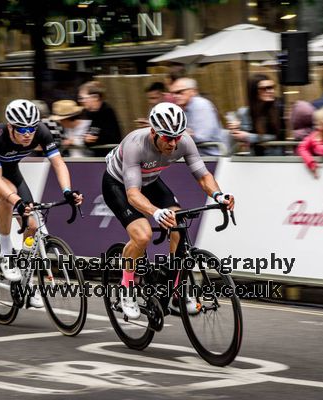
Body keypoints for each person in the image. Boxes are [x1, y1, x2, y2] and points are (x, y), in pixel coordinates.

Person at [102, 102, 234, 319]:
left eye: (177, 137)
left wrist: (219, 196)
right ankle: (127, 288)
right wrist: (155, 212)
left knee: (178, 226)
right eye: (167, 138)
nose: (173, 143)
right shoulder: (135, 144)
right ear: (153, 132)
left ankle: (175, 291)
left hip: (151, 180)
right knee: (142, 235)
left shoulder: (184, 142)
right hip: (118, 184)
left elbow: (202, 175)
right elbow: (133, 194)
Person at [0, 99, 83, 307]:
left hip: (11, 170)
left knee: (32, 225)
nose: (28, 133)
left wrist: (67, 190)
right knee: (7, 196)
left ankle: (26, 282)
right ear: (10, 127)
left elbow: (58, 163)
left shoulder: (41, 131)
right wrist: (16, 201)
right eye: (22, 129)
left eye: (31, 128)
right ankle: (5, 249)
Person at [228, 74, 284, 155]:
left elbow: (276, 137)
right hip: (254, 159)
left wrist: (249, 137)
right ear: (254, 91)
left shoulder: (278, 108)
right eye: (265, 88)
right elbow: (240, 139)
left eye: (272, 87)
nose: (271, 91)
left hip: (276, 159)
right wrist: (235, 130)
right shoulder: (245, 112)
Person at [170, 77, 228, 156]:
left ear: (193, 91)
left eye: (180, 92)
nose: (175, 96)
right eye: (173, 93)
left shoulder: (201, 105)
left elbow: (203, 137)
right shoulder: (181, 108)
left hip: (210, 157)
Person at [78, 81, 122, 157]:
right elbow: (90, 137)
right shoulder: (91, 113)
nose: (81, 101)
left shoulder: (107, 111)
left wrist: (94, 139)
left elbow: (112, 137)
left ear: (96, 97)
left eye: (84, 98)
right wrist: (87, 140)